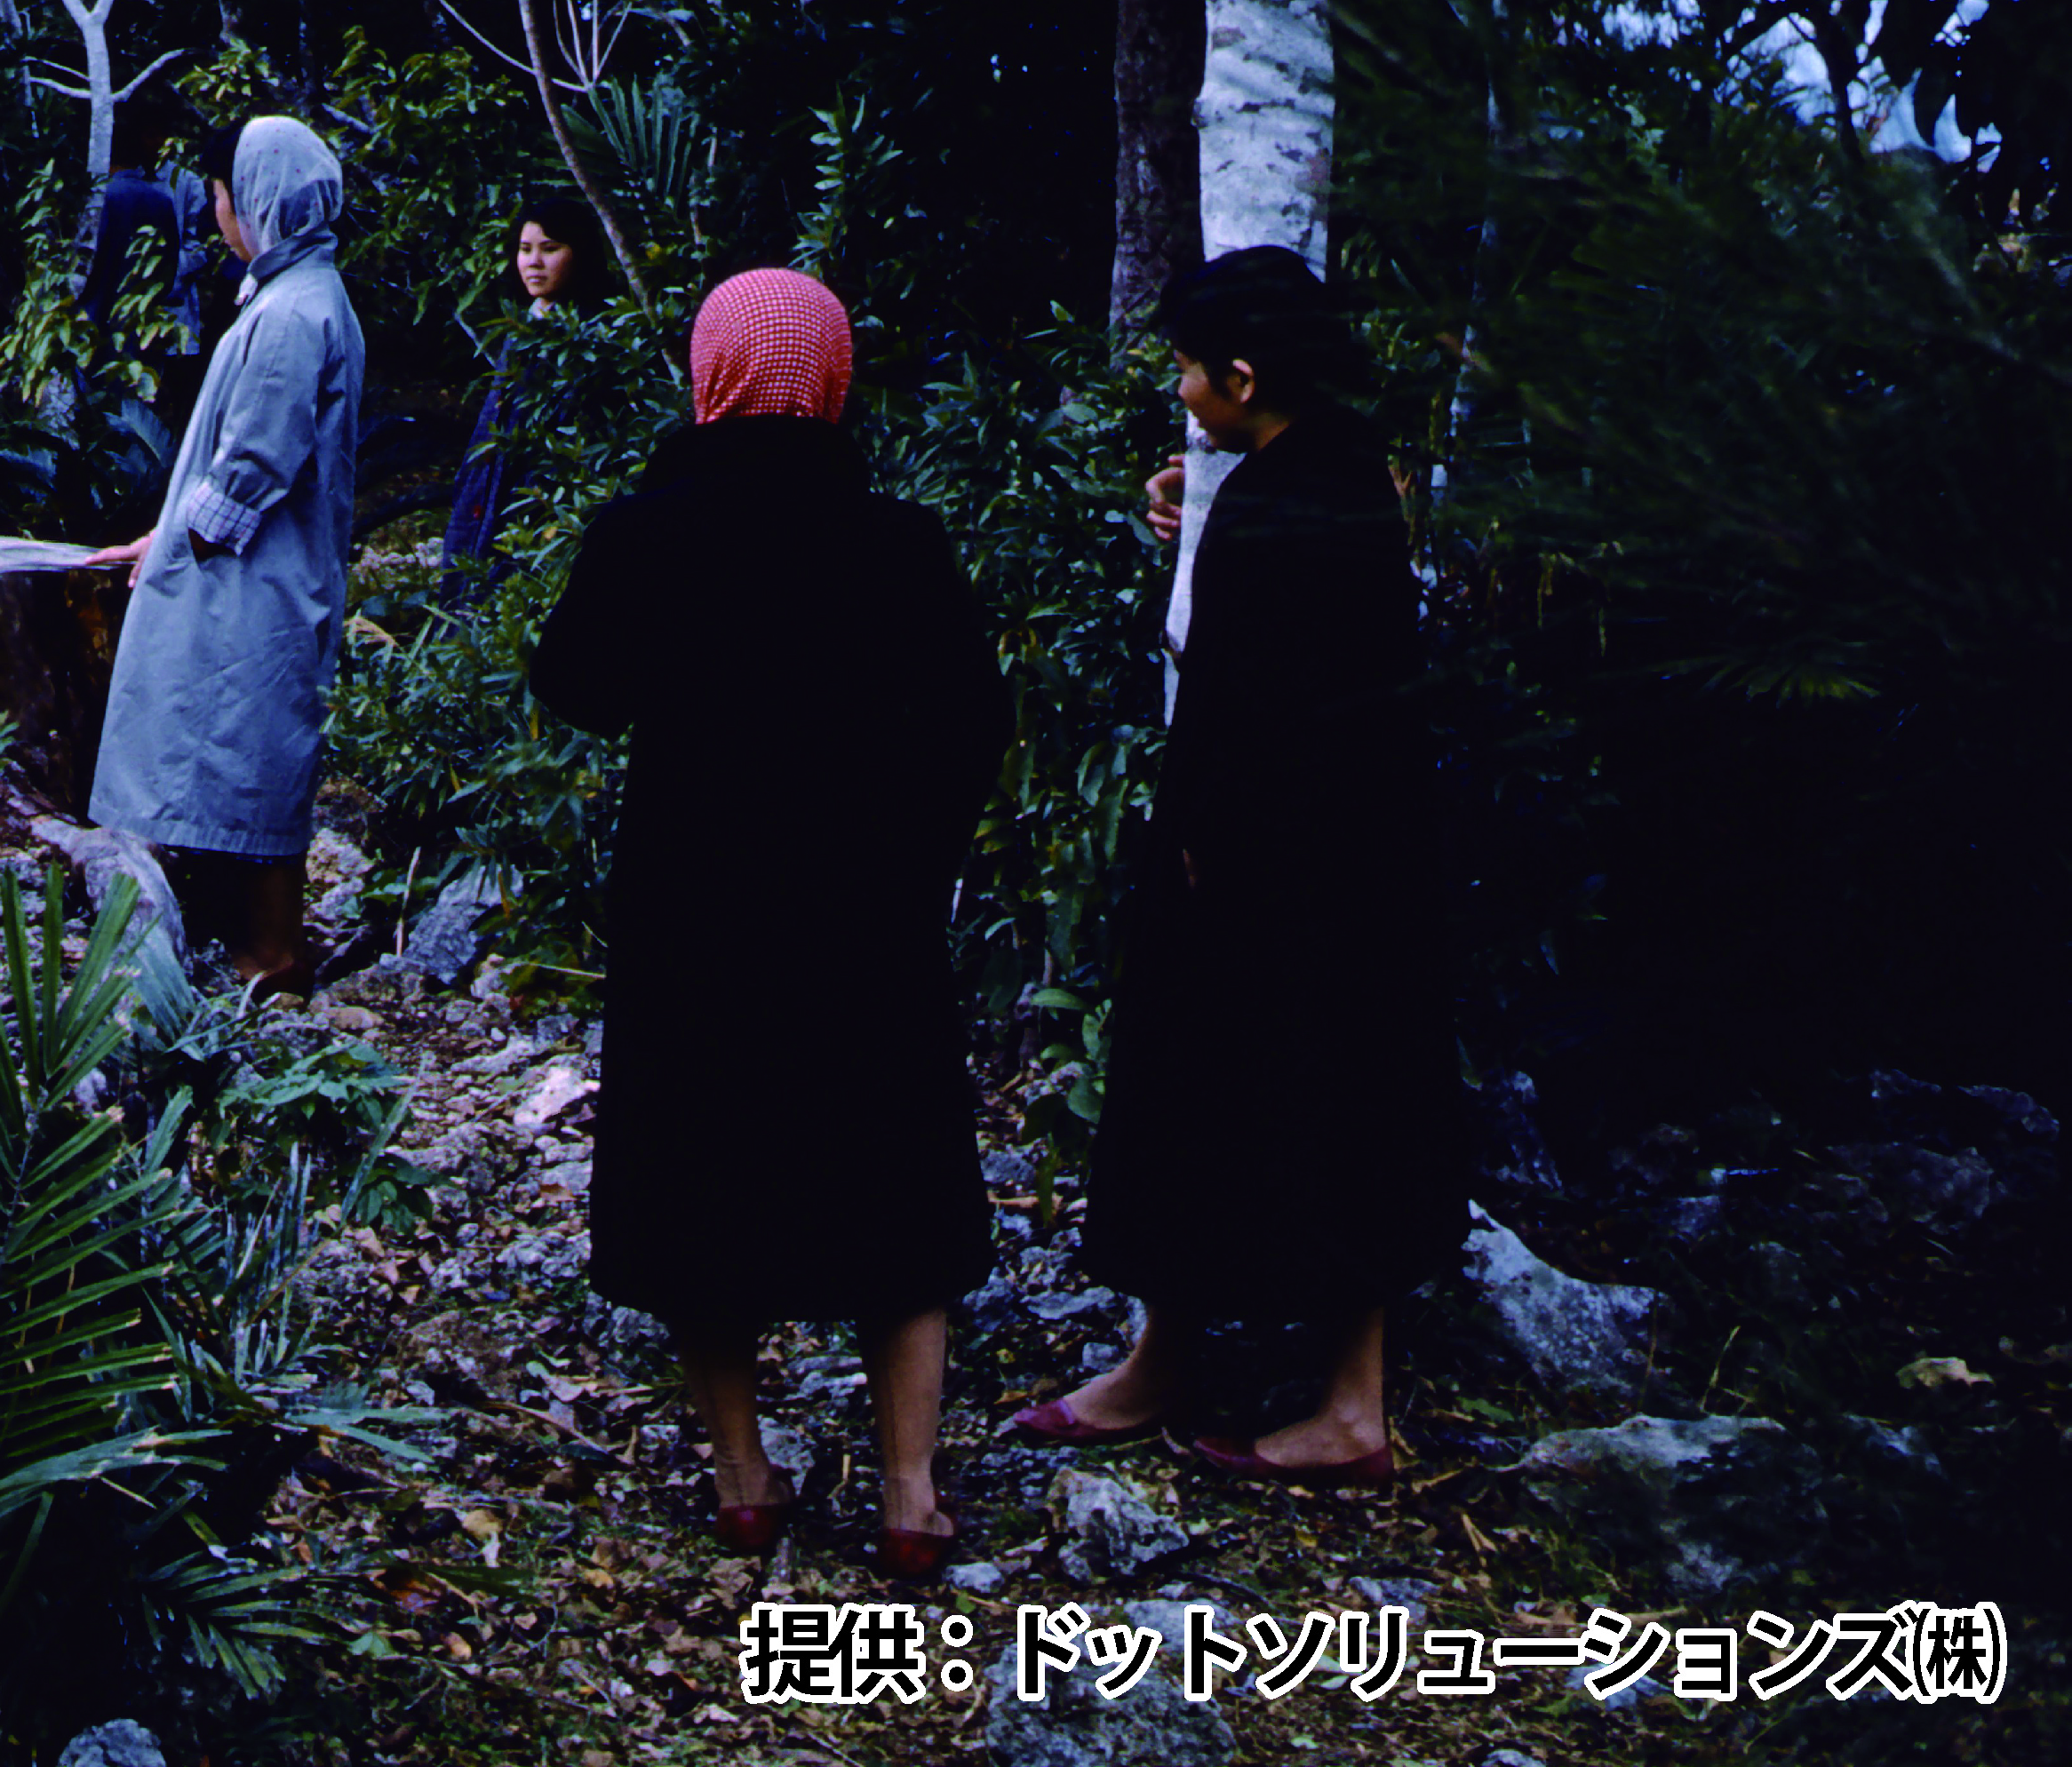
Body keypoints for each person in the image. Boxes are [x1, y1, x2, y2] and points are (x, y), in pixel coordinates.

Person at [527, 267, 1008, 1576]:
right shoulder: (898, 544)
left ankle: (744, 1476)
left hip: (698, 914)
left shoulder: (647, 534)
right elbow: (977, 726)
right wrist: (915, 847)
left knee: (703, 1176)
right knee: (895, 1180)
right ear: (833, 380)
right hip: (864, 913)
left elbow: (570, 685)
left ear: (710, 375)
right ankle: (910, 1493)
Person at [1010, 246, 1464, 1486]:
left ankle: (1341, 1406)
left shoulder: (1287, 505)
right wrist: (1195, 489)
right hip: (1339, 861)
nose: (1177, 389)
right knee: (1298, 1097)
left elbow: (1261, 701)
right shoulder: (1332, 473)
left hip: (1275, 866)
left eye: (1185, 371)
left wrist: (1211, 839)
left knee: (1260, 1089)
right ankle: (1180, 1357)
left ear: (1243, 375)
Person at [87, 116, 369, 992]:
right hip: (257, 568)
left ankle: (273, 951)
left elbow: (252, 462)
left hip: (254, 575)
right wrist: (165, 532)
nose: (217, 215)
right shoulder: (295, 295)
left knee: (254, 746)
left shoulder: (294, 311)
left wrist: (185, 543)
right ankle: (239, 935)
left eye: (222, 197)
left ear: (258, 202)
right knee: (241, 741)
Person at [440, 187, 612, 574]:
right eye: (525, 249)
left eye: (549, 249)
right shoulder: (524, 328)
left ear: (579, 252)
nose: (534, 262)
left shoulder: (596, 339)